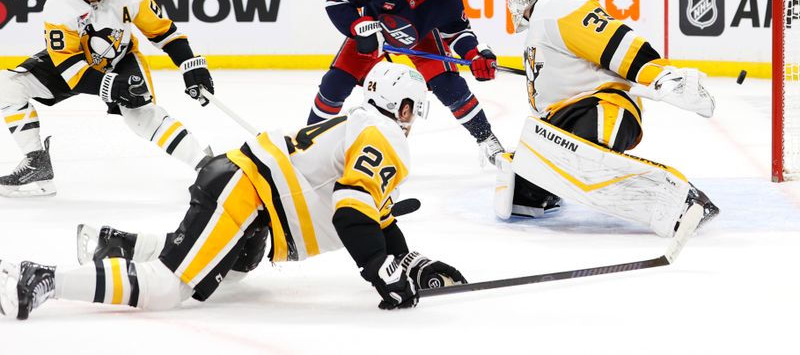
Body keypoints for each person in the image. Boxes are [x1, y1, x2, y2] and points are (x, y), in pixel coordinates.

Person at [0, 62, 467, 319]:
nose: (412, 119)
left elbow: (375, 214)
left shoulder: (362, 122)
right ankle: (37, 278)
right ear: (400, 105)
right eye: (411, 109)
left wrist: (407, 261)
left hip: (248, 195)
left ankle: (117, 245)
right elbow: (351, 210)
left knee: (227, 271)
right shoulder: (384, 135)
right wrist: (381, 270)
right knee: (168, 289)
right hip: (244, 191)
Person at [494, 0, 719, 236]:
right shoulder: (540, 26)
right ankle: (542, 192)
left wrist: (660, 74)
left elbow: (612, 41)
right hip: (561, 118)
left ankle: (686, 202)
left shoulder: (556, 5)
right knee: (522, 189)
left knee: (582, 163)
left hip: (600, 106)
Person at [0, 0, 214, 198]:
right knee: (7, 86)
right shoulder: (59, 5)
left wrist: (190, 66)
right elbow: (70, 69)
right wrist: (112, 87)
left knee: (141, 115)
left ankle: (206, 166)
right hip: (77, 61)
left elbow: (163, 33)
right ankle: (37, 162)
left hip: (122, 58)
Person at [308, 0, 505, 164]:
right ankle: (311, 142)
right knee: (335, 84)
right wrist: (358, 27)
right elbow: (336, 0)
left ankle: (487, 139)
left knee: (451, 87)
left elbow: (458, 32)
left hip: (423, 35)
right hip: (377, 29)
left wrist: (475, 55)